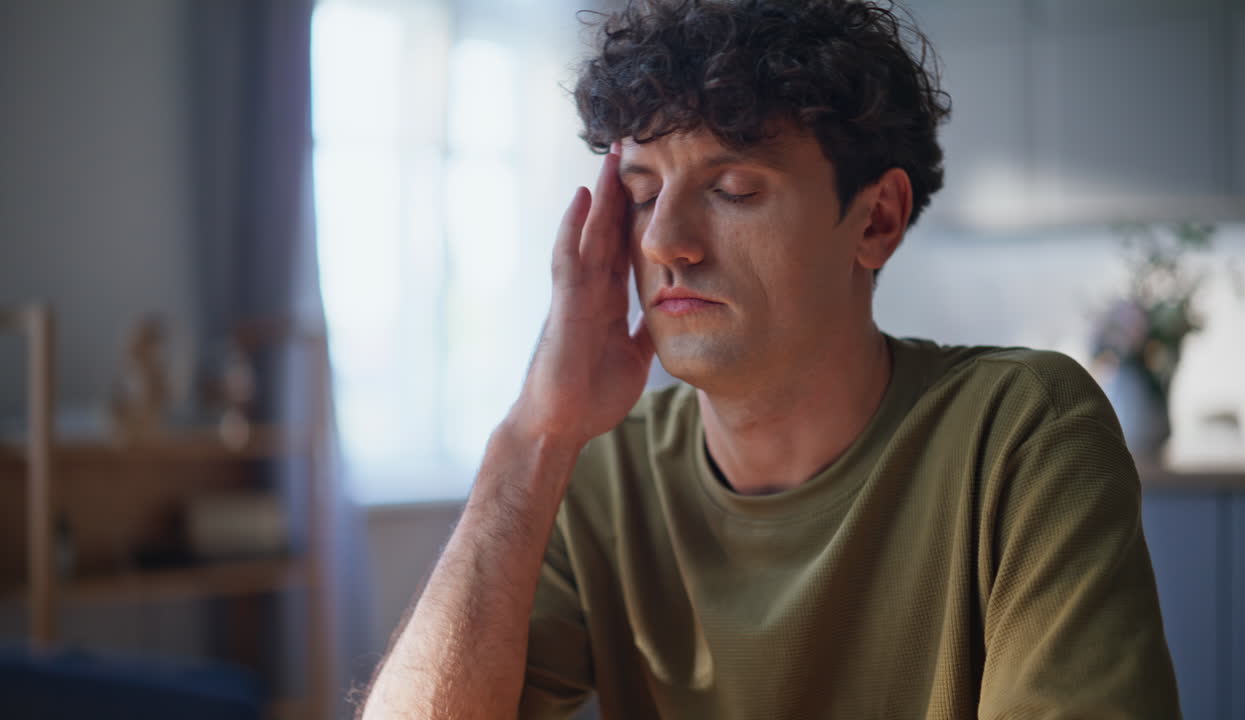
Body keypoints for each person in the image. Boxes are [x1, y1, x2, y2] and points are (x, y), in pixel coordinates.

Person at [360, 1, 1181, 718]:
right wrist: (534, 433)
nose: (663, 241)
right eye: (643, 193)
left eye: (734, 189)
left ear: (876, 220)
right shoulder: (596, 470)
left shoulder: (1022, 432)